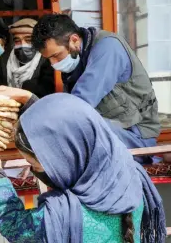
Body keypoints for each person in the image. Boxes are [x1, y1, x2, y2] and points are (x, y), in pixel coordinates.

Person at [0, 92, 166, 243]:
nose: (34, 171)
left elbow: (13, 226)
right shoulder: (132, 175)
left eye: (34, 164)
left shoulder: (61, 213)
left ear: (64, 159)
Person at [31, 14, 160, 164]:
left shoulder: (108, 47)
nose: (54, 63)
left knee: (75, 129)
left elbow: (79, 106)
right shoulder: (77, 62)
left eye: (57, 55)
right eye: (49, 59)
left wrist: (31, 105)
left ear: (74, 40)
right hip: (111, 131)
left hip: (136, 137)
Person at [5, 18, 54, 98]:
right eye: (17, 41)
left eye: (28, 40)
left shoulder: (46, 61)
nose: (23, 44)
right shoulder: (5, 60)